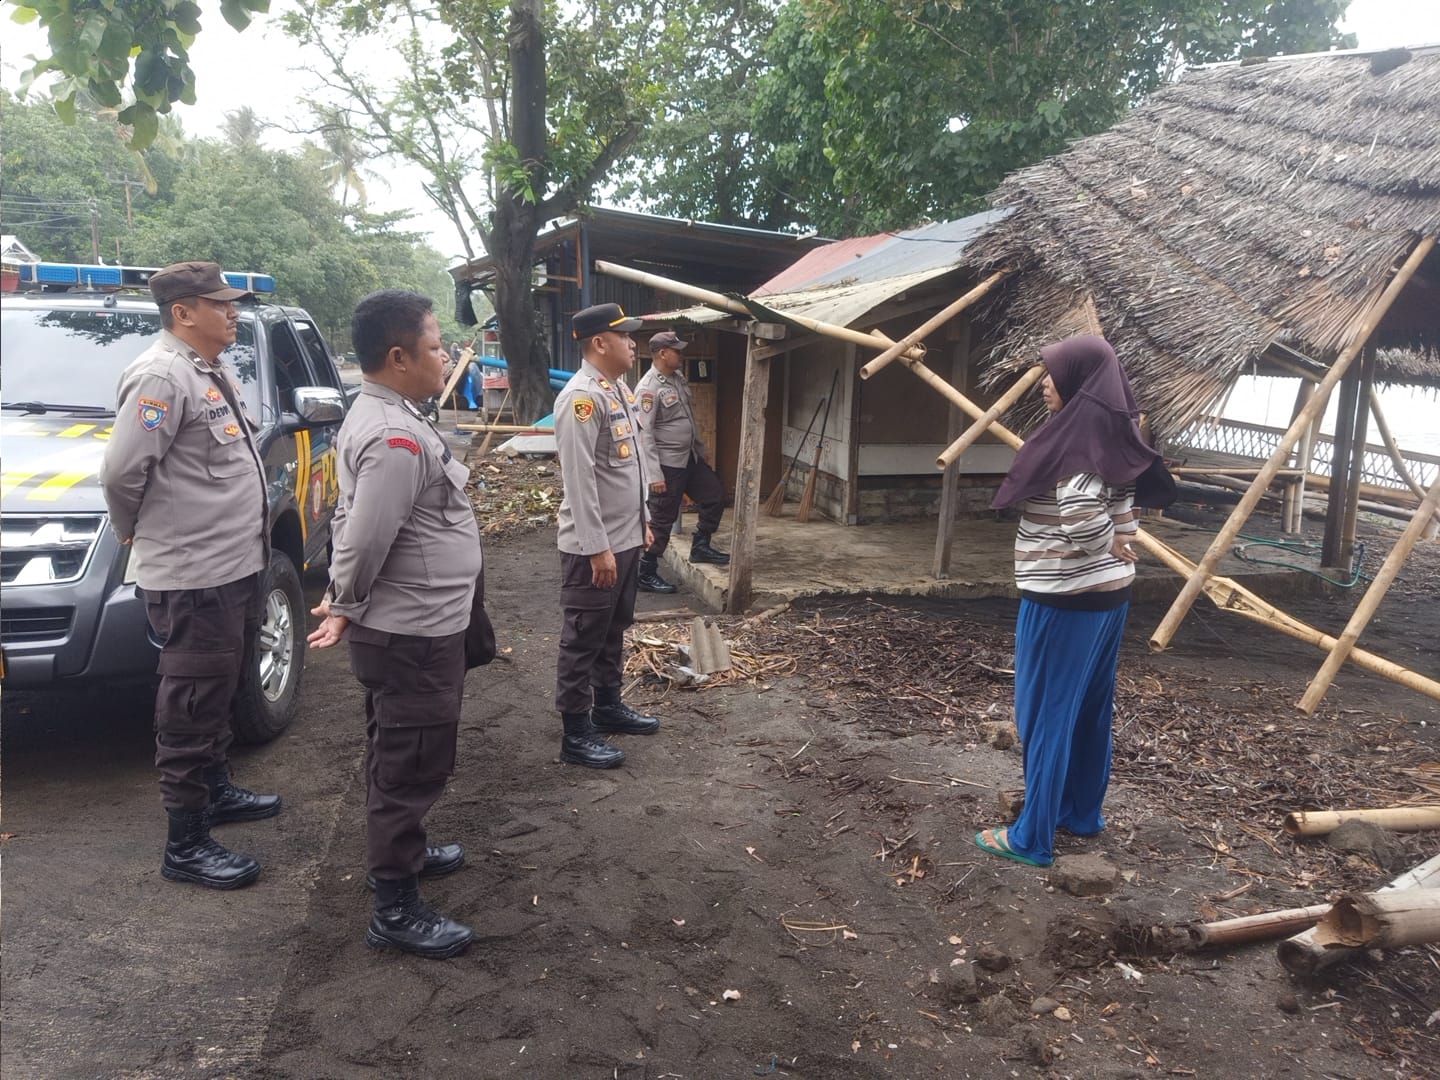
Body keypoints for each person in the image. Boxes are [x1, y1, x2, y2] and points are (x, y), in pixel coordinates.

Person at [307, 289, 481, 959]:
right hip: (412, 631)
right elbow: (363, 536)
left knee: (401, 750)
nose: (446, 357)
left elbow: (353, 519)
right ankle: (395, 907)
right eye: (436, 347)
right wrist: (344, 603)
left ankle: (404, 850)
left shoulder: (391, 413)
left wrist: (345, 598)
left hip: (420, 622)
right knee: (410, 761)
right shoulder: (394, 435)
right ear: (399, 357)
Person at [99, 261, 281, 891]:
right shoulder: (162, 375)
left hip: (232, 564)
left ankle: (216, 789)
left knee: (222, 685)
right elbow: (122, 472)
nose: (232, 313)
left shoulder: (207, 369)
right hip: (193, 572)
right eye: (219, 304)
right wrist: (132, 531)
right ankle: (187, 843)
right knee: (192, 703)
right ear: (183, 313)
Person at [974, 334, 1175, 868]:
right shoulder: (1117, 431)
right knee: (1088, 708)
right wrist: (1121, 538)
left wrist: (1102, 541)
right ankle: (1081, 813)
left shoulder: (1077, 440)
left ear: (1081, 382)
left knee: (1045, 715)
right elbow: (1126, 499)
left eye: (1054, 374)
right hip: (1109, 596)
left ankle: (1031, 838)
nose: (1044, 383)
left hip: (1064, 597)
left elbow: (1081, 510)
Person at [552, 303, 664, 769]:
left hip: (625, 539)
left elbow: (627, 467)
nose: (633, 344)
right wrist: (597, 547)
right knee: (583, 638)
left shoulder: (616, 389)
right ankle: (576, 733)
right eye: (625, 336)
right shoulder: (581, 399)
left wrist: (643, 523)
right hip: (594, 548)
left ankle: (608, 706)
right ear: (600, 343)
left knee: (613, 629)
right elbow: (579, 481)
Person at [634, 330, 729, 592]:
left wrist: (701, 448)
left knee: (714, 495)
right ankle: (646, 572)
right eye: (677, 351)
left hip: (689, 458)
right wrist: (654, 475)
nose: (681, 355)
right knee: (662, 518)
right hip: (666, 464)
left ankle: (701, 546)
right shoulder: (648, 388)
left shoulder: (677, 378)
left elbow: (688, 418)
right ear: (663, 353)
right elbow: (644, 434)